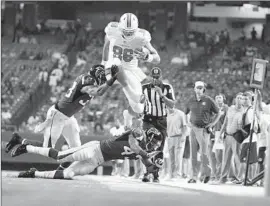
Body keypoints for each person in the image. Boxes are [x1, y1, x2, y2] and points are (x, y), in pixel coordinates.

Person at [6, 64, 119, 169]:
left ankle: (61, 170)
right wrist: (112, 79)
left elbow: (100, 87)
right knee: (47, 149)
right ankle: (21, 141)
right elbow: (98, 92)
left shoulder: (90, 79)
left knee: (76, 150)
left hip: (69, 117)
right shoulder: (88, 80)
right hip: (58, 115)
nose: (103, 78)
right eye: (102, 76)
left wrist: (111, 73)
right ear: (96, 74)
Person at [10, 127, 163, 180]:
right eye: (154, 141)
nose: (154, 145)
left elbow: (146, 162)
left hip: (97, 161)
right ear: (148, 135)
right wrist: (146, 155)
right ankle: (27, 148)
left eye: (156, 144)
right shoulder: (138, 133)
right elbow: (134, 146)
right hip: (94, 149)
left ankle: (34, 173)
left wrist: (152, 169)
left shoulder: (145, 151)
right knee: (59, 157)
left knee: (68, 174)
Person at [101, 13, 160, 127]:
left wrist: (148, 57)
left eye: (130, 32)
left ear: (136, 29)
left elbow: (157, 59)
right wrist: (103, 63)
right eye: (125, 31)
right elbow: (106, 45)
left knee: (138, 108)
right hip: (113, 66)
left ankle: (128, 114)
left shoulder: (142, 36)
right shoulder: (112, 29)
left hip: (131, 70)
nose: (128, 34)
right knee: (117, 65)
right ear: (120, 28)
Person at [141, 67, 175, 182]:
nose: (155, 79)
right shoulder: (144, 88)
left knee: (159, 148)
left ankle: (155, 174)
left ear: (161, 76)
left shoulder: (167, 87)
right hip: (148, 119)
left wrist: (161, 95)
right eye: (153, 77)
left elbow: (172, 104)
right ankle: (147, 172)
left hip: (161, 120)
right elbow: (138, 102)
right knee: (149, 145)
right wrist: (139, 101)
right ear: (150, 76)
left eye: (157, 76)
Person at [185, 81, 220, 184]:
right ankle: (194, 177)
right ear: (194, 89)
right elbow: (185, 113)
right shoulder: (191, 100)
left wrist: (212, 124)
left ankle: (207, 173)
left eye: (201, 88)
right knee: (193, 154)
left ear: (203, 89)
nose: (199, 90)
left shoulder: (209, 100)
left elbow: (218, 113)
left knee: (203, 154)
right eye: (197, 88)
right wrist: (187, 122)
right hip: (193, 129)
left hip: (204, 129)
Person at [218, 92, 244, 184]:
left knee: (237, 158)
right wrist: (220, 134)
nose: (239, 99)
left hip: (236, 137)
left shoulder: (243, 111)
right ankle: (223, 178)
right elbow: (225, 123)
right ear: (235, 99)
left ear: (243, 100)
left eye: (241, 98)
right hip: (227, 136)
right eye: (238, 98)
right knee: (226, 158)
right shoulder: (230, 109)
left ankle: (239, 178)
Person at [208, 94, 229, 182]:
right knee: (212, 156)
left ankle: (219, 175)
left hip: (220, 132)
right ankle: (213, 175)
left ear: (223, 99)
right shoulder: (213, 108)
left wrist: (224, 132)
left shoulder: (226, 108)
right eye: (216, 97)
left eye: (220, 97)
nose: (218, 99)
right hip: (212, 133)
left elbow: (227, 121)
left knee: (219, 156)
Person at [165, 107, 188, 180]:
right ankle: (171, 175)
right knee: (171, 157)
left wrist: (183, 136)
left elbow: (185, 126)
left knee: (178, 157)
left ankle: (177, 175)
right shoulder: (166, 114)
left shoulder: (180, 114)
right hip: (169, 137)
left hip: (179, 137)